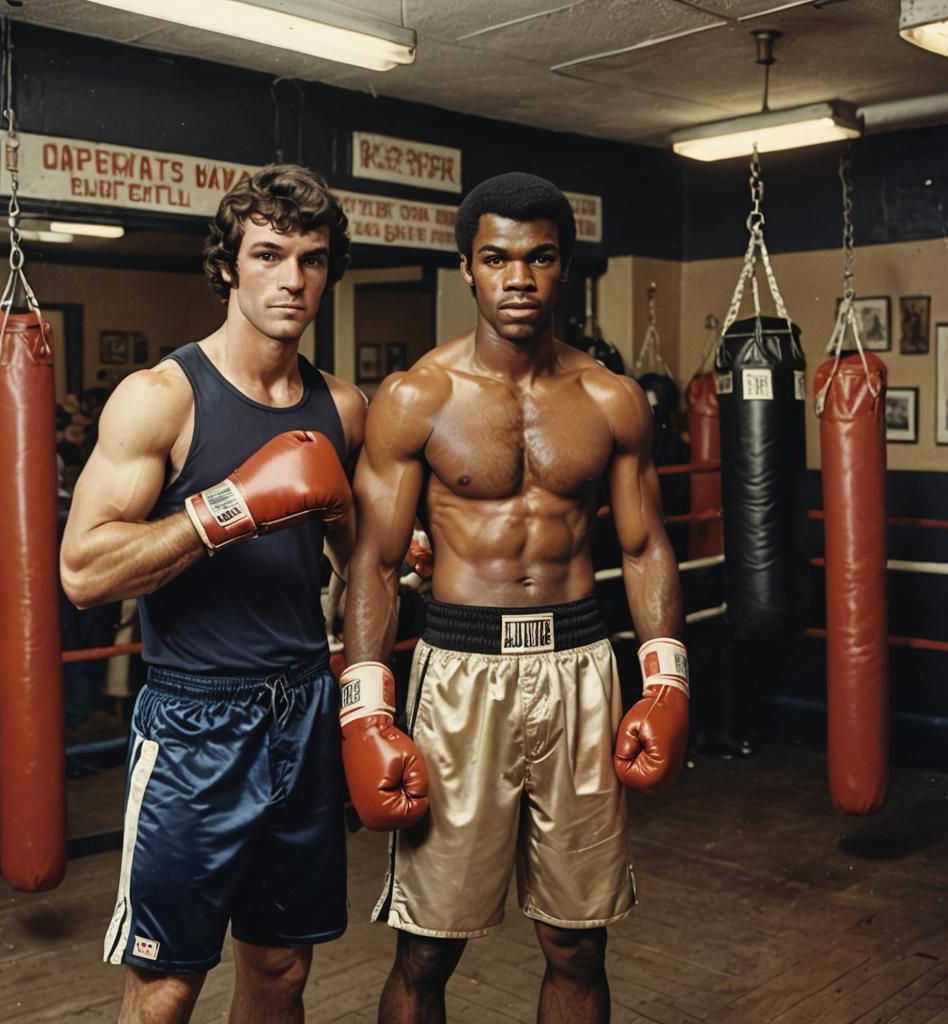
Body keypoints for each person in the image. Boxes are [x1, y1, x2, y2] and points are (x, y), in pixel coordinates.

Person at [341, 172, 689, 1024]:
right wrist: (364, 709)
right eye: (497, 259)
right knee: (427, 945)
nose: (519, 280)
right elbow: (374, 563)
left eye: (539, 259)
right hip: (460, 672)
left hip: (579, 667)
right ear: (467, 267)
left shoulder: (610, 398)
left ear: (564, 266)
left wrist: (667, 680)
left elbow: (643, 544)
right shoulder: (418, 397)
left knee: (579, 940)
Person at [59, 164, 366, 1024]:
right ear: (228, 265)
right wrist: (227, 509)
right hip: (196, 721)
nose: (291, 279)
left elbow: (363, 560)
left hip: (303, 711)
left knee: (281, 970)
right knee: (166, 988)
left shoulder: (344, 407)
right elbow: (82, 571)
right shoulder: (161, 398)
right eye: (267, 254)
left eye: (311, 259)